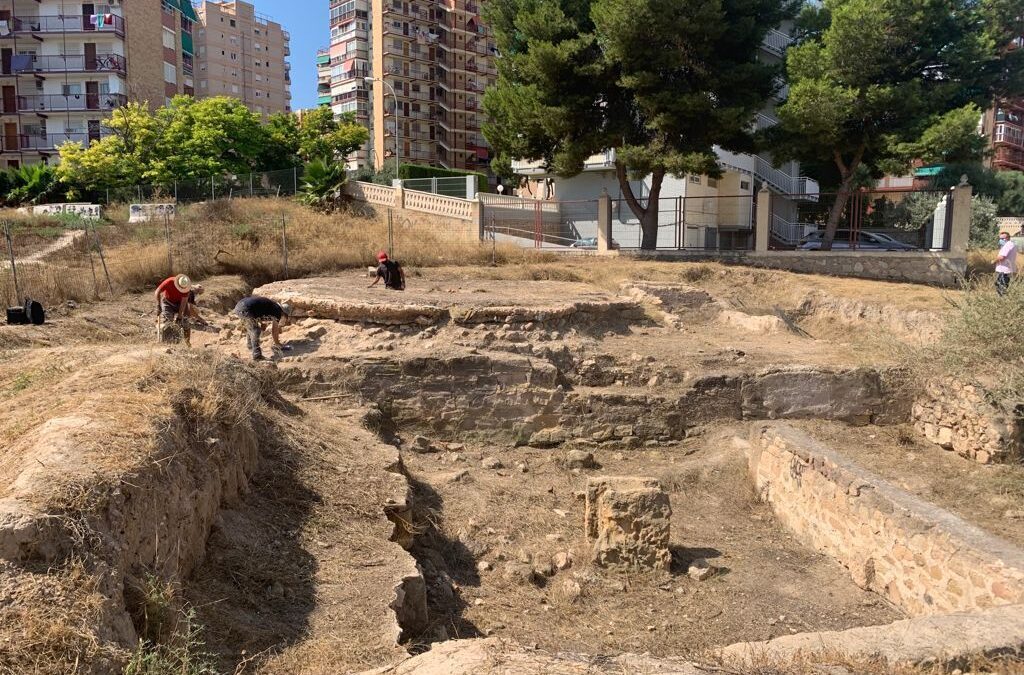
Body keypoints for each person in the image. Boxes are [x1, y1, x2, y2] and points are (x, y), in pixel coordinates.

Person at [233, 295, 292, 361]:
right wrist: (277, 344)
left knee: (251, 327)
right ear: (284, 314)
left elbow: (258, 310)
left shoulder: (273, 306)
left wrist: (261, 323)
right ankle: (257, 355)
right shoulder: (277, 311)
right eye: (285, 317)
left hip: (239, 307)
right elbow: (274, 330)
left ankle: (250, 346)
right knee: (255, 330)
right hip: (246, 309)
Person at [155, 274, 192, 344]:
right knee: (168, 322)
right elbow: (157, 291)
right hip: (167, 302)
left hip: (180, 303)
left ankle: (187, 342)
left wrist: (180, 316)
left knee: (186, 321)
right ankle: (167, 342)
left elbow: (184, 302)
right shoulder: (169, 282)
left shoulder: (186, 287)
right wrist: (158, 305)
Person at [994, 230, 1017, 297]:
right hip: (1007, 269)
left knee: (1001, 285)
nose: (1000, 240)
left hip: (1004, 270)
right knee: (1002, 284)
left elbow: (1002, 257)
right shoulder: (1012, 244)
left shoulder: (1007, 245)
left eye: (1002, 239)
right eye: (1000, 238)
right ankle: (1001, 298)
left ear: (1007, 238)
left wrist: (994, 261)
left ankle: (1001, 300)